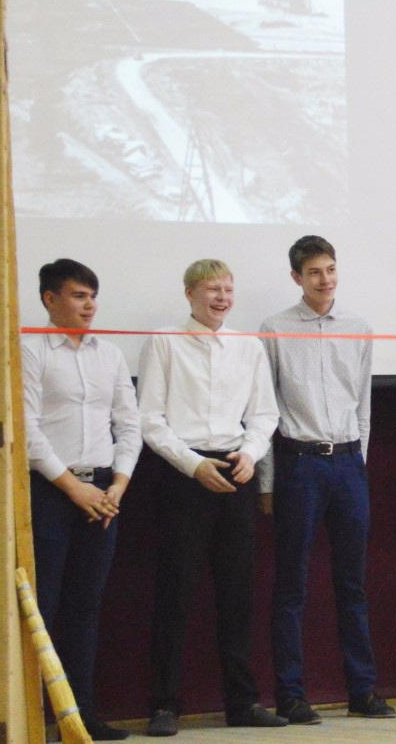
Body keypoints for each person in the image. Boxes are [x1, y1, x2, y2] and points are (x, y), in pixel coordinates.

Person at [136, 259, 284, 737]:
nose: (222, 298)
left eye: (227, 289)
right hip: (184, 475)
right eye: (211, 289)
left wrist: (251, 453)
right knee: (175, 593)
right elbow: (150, 419)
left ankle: (242, 702)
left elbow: (264, 414)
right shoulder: (165, 341)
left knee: (238, 594)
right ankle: (164, 706)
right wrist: (193, 465)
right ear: (189, 294)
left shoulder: (248, 346)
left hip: (235, 470)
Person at [257, 235, 396, 724]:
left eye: (331, 269)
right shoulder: (274, 329)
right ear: (297, 277)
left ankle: (363, 690)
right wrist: (267, 482)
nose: (325, 279)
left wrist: (359, 464)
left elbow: (363, 405)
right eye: (314, 272)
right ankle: (291, 695)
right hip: (299, 464)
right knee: (291, 584)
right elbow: (265, 409)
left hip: (347, 464)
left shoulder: (359, 327)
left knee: (352, 584)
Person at [22, 259, 142, 741]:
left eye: (92, 296)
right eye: (78, 296)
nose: (89, 305)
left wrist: (119, 484)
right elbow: (27, 431)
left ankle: (80, 717)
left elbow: (128, 424)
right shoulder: (30, 349)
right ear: (50, 299)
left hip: (105, 492)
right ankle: (36, 719)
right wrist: (74, 488)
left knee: (86, 608)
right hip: (52, 491)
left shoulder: (109, 354)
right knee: (45, 606)